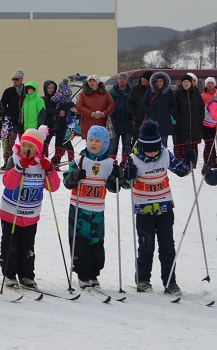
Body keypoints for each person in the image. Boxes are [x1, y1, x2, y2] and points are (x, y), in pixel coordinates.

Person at [122, 120, 193, 295]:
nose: (153, 152)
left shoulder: (165, 154)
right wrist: (127, 175)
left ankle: (170, 282)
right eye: (149, 149)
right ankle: (143, 280)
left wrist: (189, 161)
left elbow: (182, 171)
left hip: (165, 208)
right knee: (146, 247)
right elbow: (124, 185)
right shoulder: (133, 159)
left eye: (155, 148)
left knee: (167, 247)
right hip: (144, 210)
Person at [0, 127, 61, 289]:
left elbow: (53, 187)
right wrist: (19, 169)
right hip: (11, 213)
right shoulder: (14, 160)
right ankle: (9, 274)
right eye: (24, 145)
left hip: (31, 214)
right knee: (10, 246)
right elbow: (8, 183)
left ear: (38, 149)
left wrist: (51, 170)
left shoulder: (42, 164)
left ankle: (26, 275)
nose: (26, 149)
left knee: (27, 248)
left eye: (31, 146)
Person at [63, 125, 118, 289]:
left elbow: (113, 187)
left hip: (97, 213)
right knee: (81, 244)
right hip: (79, 211)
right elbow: (67, 182)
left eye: (98, 141)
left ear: (105, 144)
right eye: (91, 140)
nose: (93, 143)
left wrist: (118, 177)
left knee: (97, 248)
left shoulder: (108, 163)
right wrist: (74, 176)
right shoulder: (79, 161)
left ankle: (94, 274)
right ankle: (83, 275)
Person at [43, 80, 75, 167]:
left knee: (59, 144)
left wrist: (68, 111)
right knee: (46, 143)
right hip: (49, 123)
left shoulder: (60, 96)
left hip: (61, 123)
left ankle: (56, 161)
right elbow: (44, 110)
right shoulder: (43, 99)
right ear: (45, 88)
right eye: (49, 88)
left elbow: (68, 109)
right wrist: (57, 112)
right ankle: (44, 160)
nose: (51, 89)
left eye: (52, 88)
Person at [174, 74, 204, 163]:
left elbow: (201, 107)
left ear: (191, 83)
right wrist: (178, 119)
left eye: (188, 82)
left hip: (195, 126)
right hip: (182, 126)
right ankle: (181, 164)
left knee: (194, 146)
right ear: (182, 83)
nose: (186, 83)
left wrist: (200, 119)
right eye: (184, 82)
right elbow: (173, 109)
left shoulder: (196, 94)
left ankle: (193, 164)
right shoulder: (177, 94)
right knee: (182, 146)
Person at [142, 71, 177, 149]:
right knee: (152, 144)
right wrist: (149, 112)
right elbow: (144, 104)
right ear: (154, 82)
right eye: (158, 81)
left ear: (165, 82)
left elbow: (174, 105)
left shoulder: (169, 92)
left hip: (165, 123)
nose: (159, 83)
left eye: (161, 81)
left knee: (163, 145)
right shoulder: (149, 91)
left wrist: (168, 112)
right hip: (152, 123)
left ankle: (163, 160)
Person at [75, 74, 115, 141]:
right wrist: (91, 114)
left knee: (102, 143)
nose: (91, 83)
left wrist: (103, 113)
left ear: (98, 82)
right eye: (89, 81)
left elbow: (111, 104)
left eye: (93, 81)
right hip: (88, 123)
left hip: (102, 123)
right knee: (90, 144)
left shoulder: (105, 93)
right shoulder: (83, 94)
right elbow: (79, 106)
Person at [0, 72, 25, 170]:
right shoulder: (8, 91)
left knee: (24, 144)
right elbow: (2, 105)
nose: (14, 81)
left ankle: (24, 162)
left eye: (16, 79)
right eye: (13, 79)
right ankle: (7, 163)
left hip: (24, 123)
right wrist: (8, 114)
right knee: (9, 144)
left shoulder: (27, 91)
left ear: (21, 79)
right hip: (12, 123)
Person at [109, 73, 134, 165]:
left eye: (124, 78)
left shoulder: (131, 91)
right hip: (115, 123)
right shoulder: (112, 92)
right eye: (120, 78)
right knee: (113, 146)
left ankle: (125, 162)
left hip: (128, 123)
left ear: (127, 80)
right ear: (118, 80)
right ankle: (111, 163)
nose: (122, 80)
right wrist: (111, 117)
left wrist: (133, 117)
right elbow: (109, 106)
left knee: (127, 145)